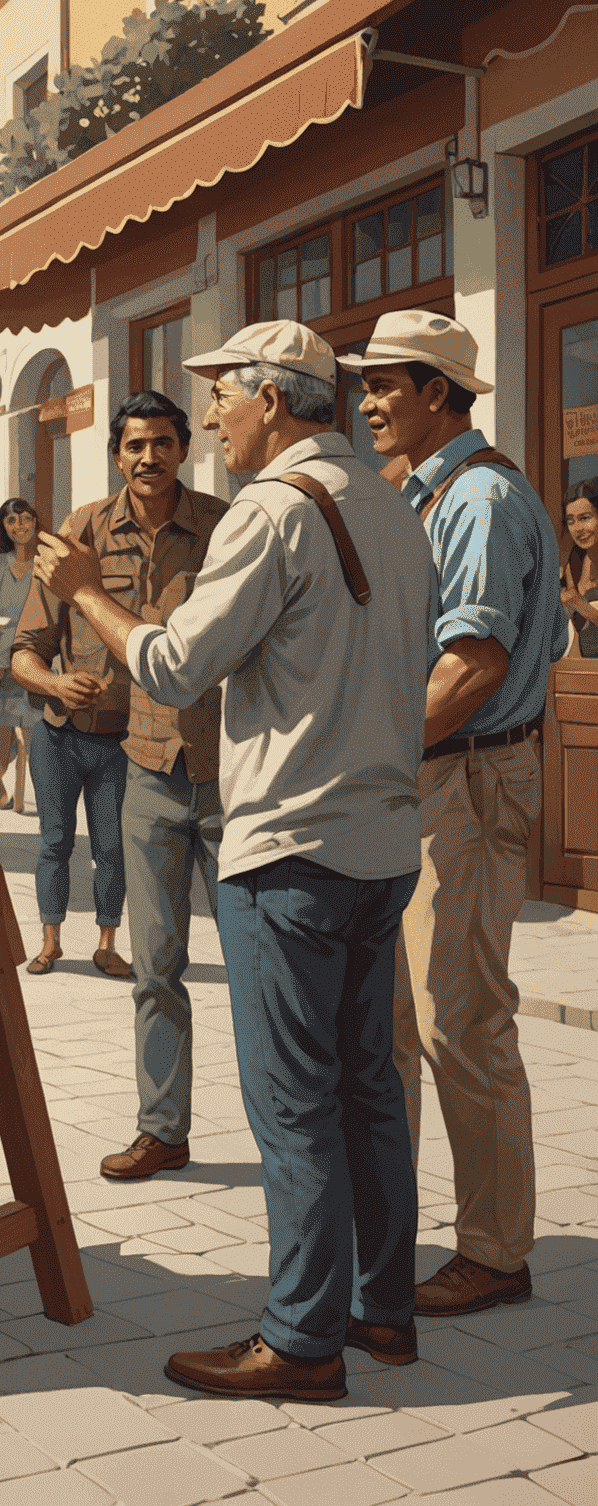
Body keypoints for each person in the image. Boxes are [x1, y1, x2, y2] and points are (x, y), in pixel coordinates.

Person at [38, 320, 435, 1401]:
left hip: (293, 845)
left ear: (275, 397)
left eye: (224, 395)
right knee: (368, 1091)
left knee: (295, 1104)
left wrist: (82, 589)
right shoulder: (393, 504)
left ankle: (302, 1341)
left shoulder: (272, 511)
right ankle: (380, 1311)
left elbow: (173, 660)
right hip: (379, 839)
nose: (211, 416)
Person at [342, 310, 568, 1318]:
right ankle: (418, 1231)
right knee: (403, 1019)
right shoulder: (445, 493)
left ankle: (495, 1253)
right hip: (442, 777)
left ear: (438, 391)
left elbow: (472, 666)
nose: (368, 403)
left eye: (386, 383)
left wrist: (368, 753)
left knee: (460, 1023)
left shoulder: (475, 501)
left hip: (465, 780)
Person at [88, 393, 230, 1183]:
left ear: (184, 449)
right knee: (155, 966)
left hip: (228, 770)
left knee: (257, 964)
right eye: (137, 444)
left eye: (164, 442)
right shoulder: (86, 529)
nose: (150, 456)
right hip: (145, 770)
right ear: (118, 454)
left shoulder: (227, 524)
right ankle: (161, 1129)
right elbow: (35, 634)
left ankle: (286, 1132)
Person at [10, 485, 133, 982]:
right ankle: (50, 942)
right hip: (58, 736)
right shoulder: (60, 581)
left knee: (112, 848)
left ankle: (107, 943)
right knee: (54, 843)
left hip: (119, 741)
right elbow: (23, 654)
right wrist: (56, 682)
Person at [0, 498, 40, 812]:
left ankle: (34, 796)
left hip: (35, 661)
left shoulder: (43, 564)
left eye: (25, 518)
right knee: (5, 739)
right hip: (1, 665)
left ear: (34, 521)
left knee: (35, 736)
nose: (20, 526)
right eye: (11, 521)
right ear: (3, 527)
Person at [562, 478, 598, 658]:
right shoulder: (575, 562)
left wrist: (577, 602)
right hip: (582, 666)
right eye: (571, 521)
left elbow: (577, 604)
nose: (578, 529)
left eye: (585, 518)